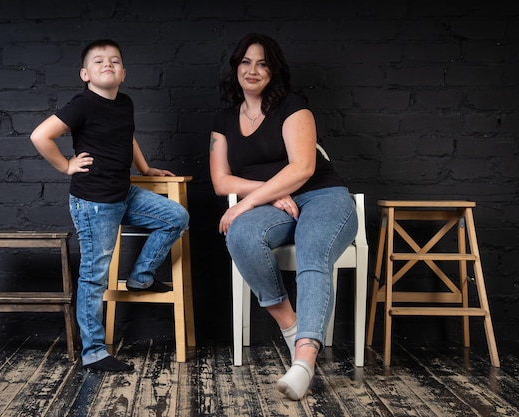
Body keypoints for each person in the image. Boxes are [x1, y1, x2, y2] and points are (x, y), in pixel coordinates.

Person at [209, 33, 358, 400]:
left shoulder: (293, 106)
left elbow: (303, 167)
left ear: (273, 71)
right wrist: (271, 196)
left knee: (312, 249)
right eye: (246, 61)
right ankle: (294, 332)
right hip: (275, 203)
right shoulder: (224, 120)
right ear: (236, 68)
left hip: (323, 195)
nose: (253, 70)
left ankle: (305, 360)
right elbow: (220, 180)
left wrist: (248, 200)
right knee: (240, 236)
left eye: (262, 63)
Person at [30, 39, 189, 373]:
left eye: (115, 61)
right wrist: (65, 165)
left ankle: (141, 277)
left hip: (123, 193)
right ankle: (94, 352)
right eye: (99, 61)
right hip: (94, 204)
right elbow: (41, 135)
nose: (108, 65)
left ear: (124, 73)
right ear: (85, 74)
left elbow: (127, 138)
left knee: (176, 215)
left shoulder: (124, 103)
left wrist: (145, 170)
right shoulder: (82, 105)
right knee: (95, 276)